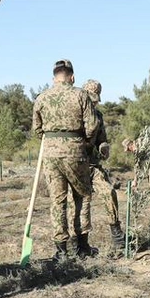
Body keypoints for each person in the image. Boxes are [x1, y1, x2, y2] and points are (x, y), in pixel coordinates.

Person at [31, 59, 98, 259]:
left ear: (54, 78)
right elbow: (92, 126)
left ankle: (61, 250)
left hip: (50, 153)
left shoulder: (41, 98)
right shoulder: (81, 95)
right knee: (82, 196)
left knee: (57, 200)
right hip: (75, 150)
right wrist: (85, 143)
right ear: (72, 76)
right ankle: (82, 246)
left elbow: (37, 129)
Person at [81, 79, 126, 253]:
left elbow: (102, 140)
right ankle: (80, 242)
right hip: (78, 166)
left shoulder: (98, 116)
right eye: (91, 99)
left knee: (109, 192)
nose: (94, 102)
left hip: (94, 166)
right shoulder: (76, 114)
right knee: (81, 202)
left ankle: (117, 235)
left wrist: (104, 147)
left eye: (96, 99)